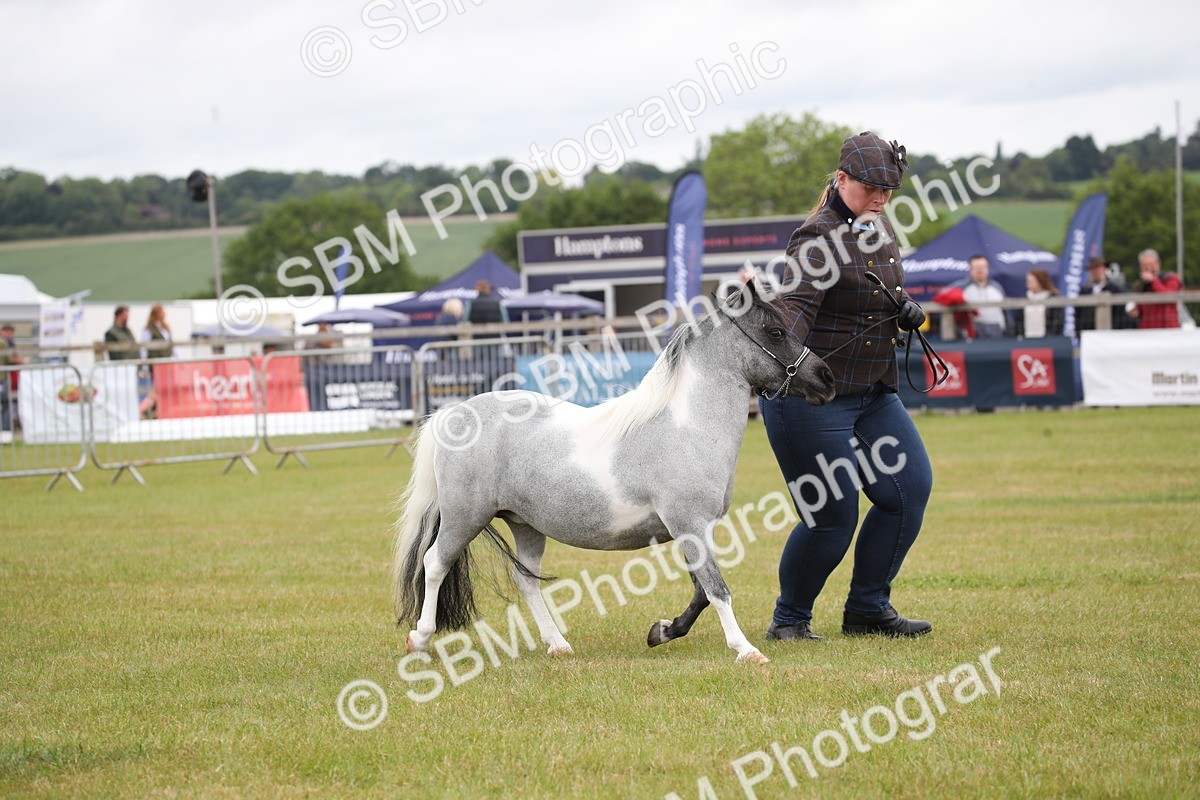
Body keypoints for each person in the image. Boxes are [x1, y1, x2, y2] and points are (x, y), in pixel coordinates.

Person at [761, 131, 934, 642]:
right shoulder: (815, 237)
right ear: (841, 181)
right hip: (810, 398)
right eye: (872, 188)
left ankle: (867, 608)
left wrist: (903, 310)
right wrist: (779, 350)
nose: (881, 199)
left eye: (889, 191)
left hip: (873, 393)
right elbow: (796, 305)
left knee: (908, 493)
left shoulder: (877, 229)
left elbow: (871, 291)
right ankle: (790, 619)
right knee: (833, 514)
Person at [956, 255, 1008, 338]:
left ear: (987, 268)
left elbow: (1007, 312)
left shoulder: (997, 287)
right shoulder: (960, 287)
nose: (980, 270)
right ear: (970, 269)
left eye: (982, 267)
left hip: (996, 330)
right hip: (972, 332)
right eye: (976, 267)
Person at [1128, 249, 1181, 329]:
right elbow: (1139, 309)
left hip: (1168, 331)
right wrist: (1135, 310)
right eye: (1145, 265)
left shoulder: (1171, 278)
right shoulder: (1140, 285)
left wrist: (1153, 280)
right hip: (1147, 331)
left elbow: (1168, 297)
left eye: (1151, 264)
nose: (1149, 268)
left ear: (1158, 264)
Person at [1077, 257, 1132, 331]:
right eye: (1092, 269)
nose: (1095, 272)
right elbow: (1079, 315)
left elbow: (1121, 314)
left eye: (1097, 268)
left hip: (1110, 333)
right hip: (1089, 334)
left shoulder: (1115, 290)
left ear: (1104, 269)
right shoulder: (1084, 292)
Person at [1015, 268, 1064, 338]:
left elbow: (1057, 321)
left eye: (1031, 281)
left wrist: (1051, 336)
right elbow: (1018, 321)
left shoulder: (1053, 298)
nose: (1028, 284)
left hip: (1046, 339)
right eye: (1027, 281)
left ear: (1039, 281)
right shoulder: (1024, 299)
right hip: (1027, 339)